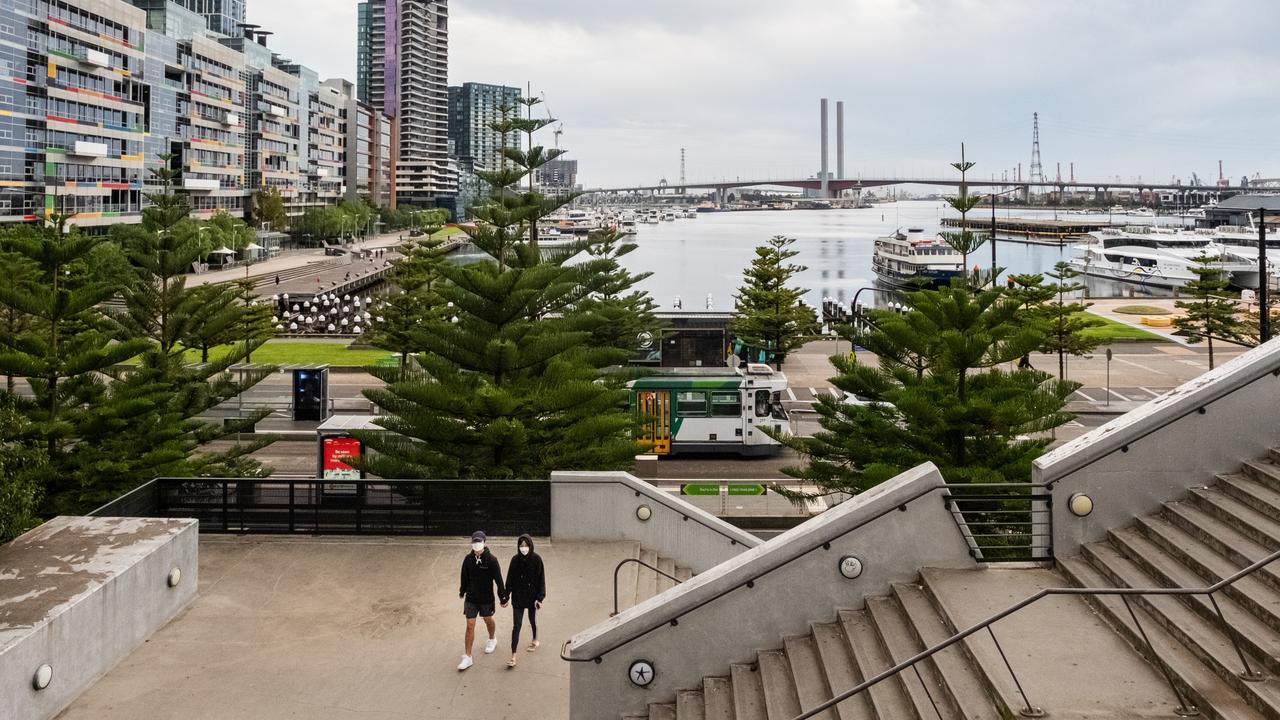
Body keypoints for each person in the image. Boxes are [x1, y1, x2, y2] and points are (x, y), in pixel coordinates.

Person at [458, 530, 506, 671]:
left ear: (484, 543)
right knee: (470, 625)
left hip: (486, 599)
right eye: (474, 542)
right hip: (471, 598)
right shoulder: (468, 560)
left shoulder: (492, 560)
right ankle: (467, 657)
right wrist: (462, 591)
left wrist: (503, 597)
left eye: (479, 541)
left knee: (487, 619)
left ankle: (492, 639)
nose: (477, 544)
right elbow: (464, 577)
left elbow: (499, 580)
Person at [504, 534, 546, 668]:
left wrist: (540, 598)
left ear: (530, 545)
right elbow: (509, 580)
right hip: (518, 598)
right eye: (521, 546)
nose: (523, 548)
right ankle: (513, 655)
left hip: (532, 597)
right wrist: (505, 597)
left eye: (526, 545)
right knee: (517, 626)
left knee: (532, 619)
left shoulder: (537, 560)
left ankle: (535, 639)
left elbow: (541, 580)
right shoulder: (515, 560)